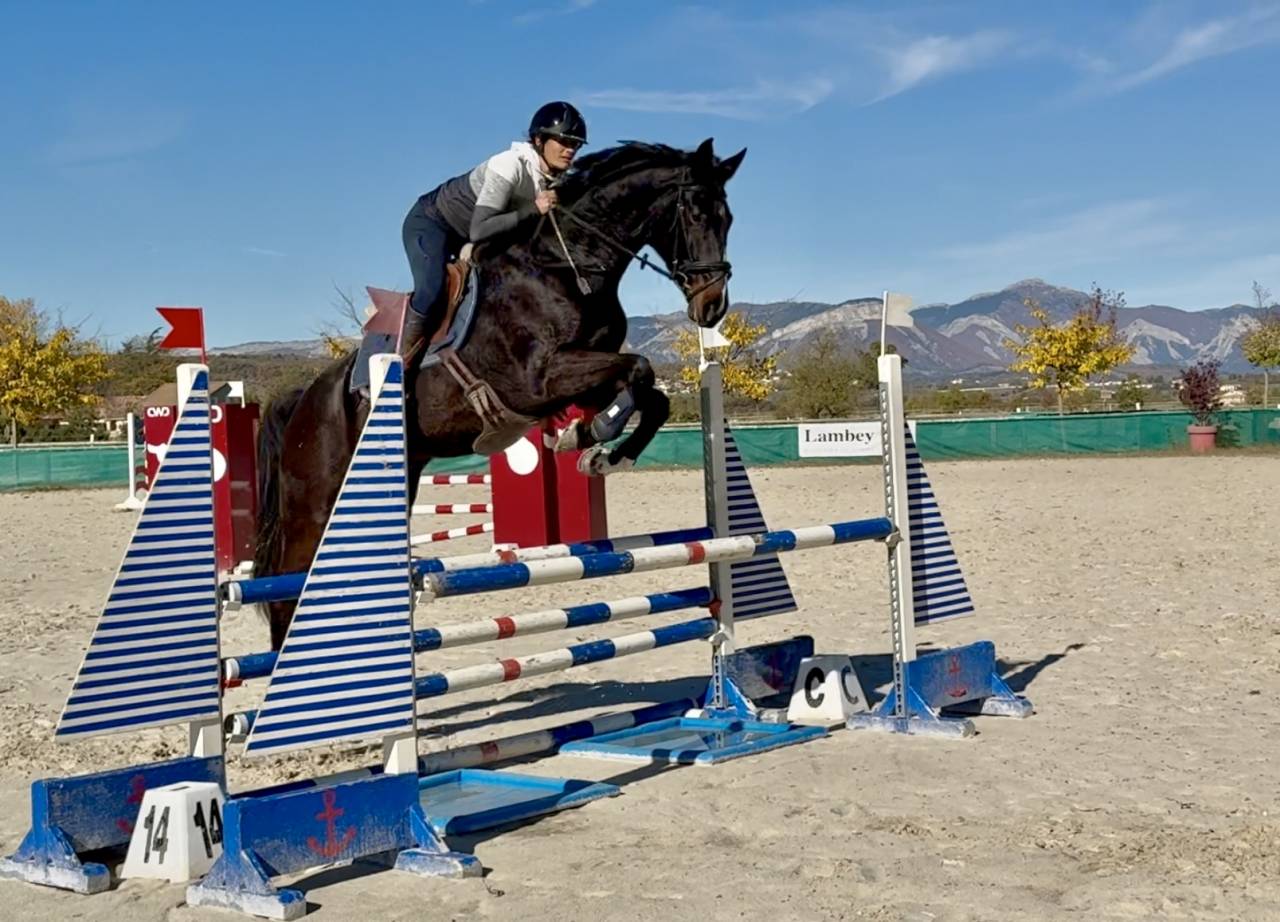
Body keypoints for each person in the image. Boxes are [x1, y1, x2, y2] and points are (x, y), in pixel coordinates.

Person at [351, 101, 588, 392]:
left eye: (576, 144)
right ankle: (395, 372)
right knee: (432, 290)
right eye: (564, 141)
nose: (570, 149)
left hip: (473, 237)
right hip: (433, 223)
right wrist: (533, 210)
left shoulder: (552, 181)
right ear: (539, 140)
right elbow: (481, 229)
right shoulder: (509, 165)